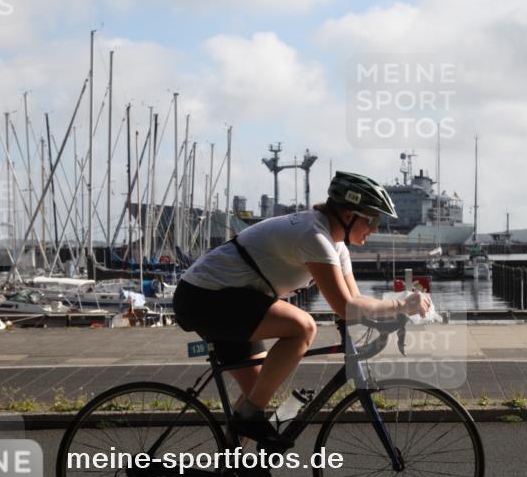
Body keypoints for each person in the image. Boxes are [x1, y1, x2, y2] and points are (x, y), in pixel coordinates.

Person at [173, 171, 432, 447]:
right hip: (204, 298)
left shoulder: (337, 245)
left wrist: (391, 314)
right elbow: (346, 307)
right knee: (303, 327)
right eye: (372, 219)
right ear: (348, 215)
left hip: (236, 300)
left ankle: (231, 473)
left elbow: (354, 299)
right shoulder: (313, 236)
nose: (376, 228)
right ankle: (249, 420)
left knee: (257, 389)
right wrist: (401, 305)